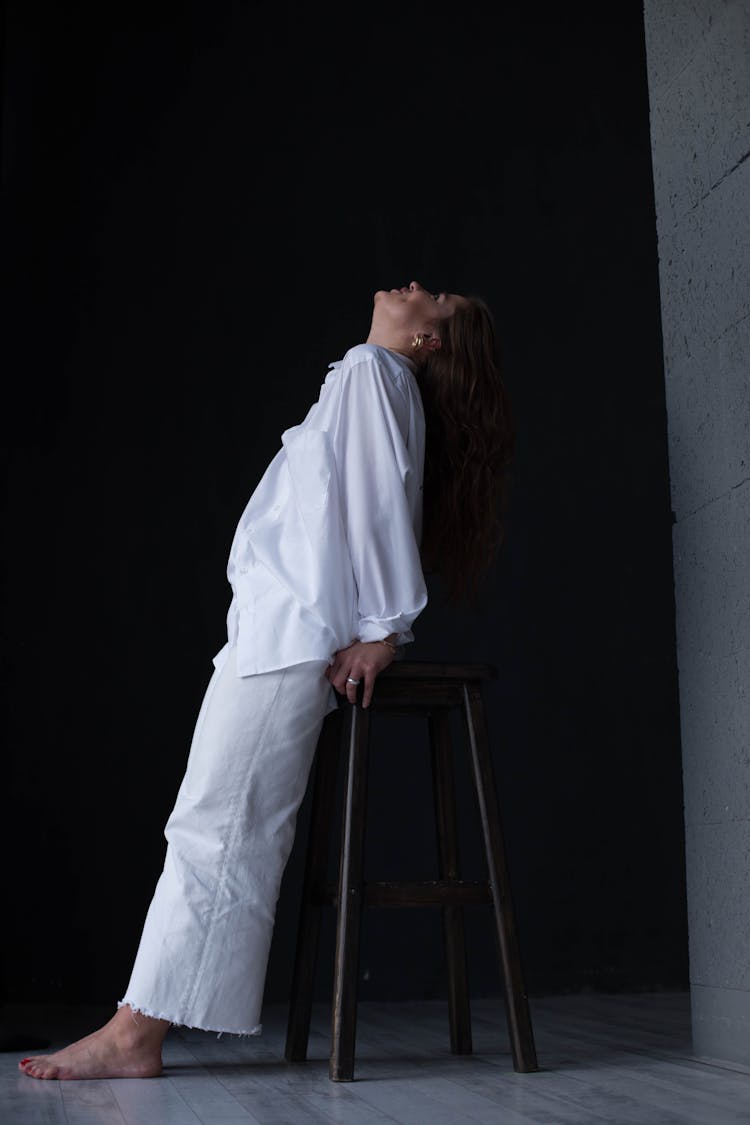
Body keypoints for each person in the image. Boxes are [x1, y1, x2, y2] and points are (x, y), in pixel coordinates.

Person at [19, 279, 514, 1080]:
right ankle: (138, 1030)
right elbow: (362, 504)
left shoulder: (372, 373)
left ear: (430, 342)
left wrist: (385, 630)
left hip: (291, 632)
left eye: (442, 300)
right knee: (220, 825)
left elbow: (380, 505)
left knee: (219, 828)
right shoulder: (367, 379)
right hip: (274, 627)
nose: (420, 287)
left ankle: (133, 1034)